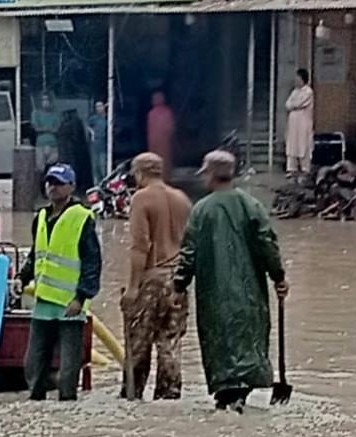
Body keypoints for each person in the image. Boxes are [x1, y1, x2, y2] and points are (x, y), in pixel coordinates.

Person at [174, 150, 289, 414]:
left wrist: (179, 284)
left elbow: (188, 253)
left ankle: (228, 399)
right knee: (249, 344)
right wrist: (279, 277)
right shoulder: (252, 205)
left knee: (221, 348)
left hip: (213, 295)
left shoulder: (201, 210)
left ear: (211, 175)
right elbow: (267, 244)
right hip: (249, 294)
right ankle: (240, 396)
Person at [18, 164, 102, 401]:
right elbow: (36, 255)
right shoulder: (41, 217)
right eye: (49, 182)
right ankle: (36, 404)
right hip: (43, 302)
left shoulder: (82, 217)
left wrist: (81, 297)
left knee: (68, 367)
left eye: (58, 183)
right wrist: (21, 278)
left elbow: (92, 262)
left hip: (70, 304)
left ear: (71, 187)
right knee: (34, 363)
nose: (52, 187)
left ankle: (67, 403)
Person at [119, 152, 192, 401]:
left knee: (138, 345)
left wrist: (132, 288)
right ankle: (169, 397)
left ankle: (133, 398)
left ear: (139, 173)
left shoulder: (141, 199)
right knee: (170, 343)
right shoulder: (182, 199)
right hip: (178, 281)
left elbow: (141, 245)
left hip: (151, 279)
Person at [285, 69, 315, 177]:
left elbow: (298, 104)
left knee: (303, 145)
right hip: (293, 124)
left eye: (298, 79)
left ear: (303, 79)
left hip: (303, 123)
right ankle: (291, 169)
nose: (296, 81)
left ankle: (305, 168)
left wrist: (293, 105)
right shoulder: (295, 91)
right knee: (292, 145)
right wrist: (292, 105)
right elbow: (287, 104)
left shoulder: (308, 91)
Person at [57, 108, 92, 193]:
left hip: (73, 151)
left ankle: (75, 187)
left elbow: (77, 137)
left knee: (74, 169)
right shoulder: (65, 123)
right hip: (68, 151)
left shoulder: (75, 123)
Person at [146, 91, 175, 181]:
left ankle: (158, 178)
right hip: (163, 142)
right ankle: (165, 178)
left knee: (156, 161)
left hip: (155, 142)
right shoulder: (167, 112)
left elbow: (149, 129)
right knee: (164, 161)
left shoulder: (152, 113)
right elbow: (171, 128)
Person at [32, 94, 61, 174]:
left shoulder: (55, 115)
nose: (45, 102)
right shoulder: (36, 114)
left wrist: (44, 128)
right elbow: (36, 128)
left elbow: (57, 129)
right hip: (40, 144)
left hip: (53, 145)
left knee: (52, 167)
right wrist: (48, 129)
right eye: (43, 100)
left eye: (47, 100)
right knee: (40, 168)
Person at [87, 101, 108, 185]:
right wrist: (92, 132)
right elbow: (87, 125)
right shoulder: (94, 118)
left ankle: (104, 185)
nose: (98, 108)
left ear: (104, 107)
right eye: (97, 107)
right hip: (95, 145)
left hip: (104, 145)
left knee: (103, 167)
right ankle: (96, 187)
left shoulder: (107, 118)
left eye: (100, 106)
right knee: (95, 167)